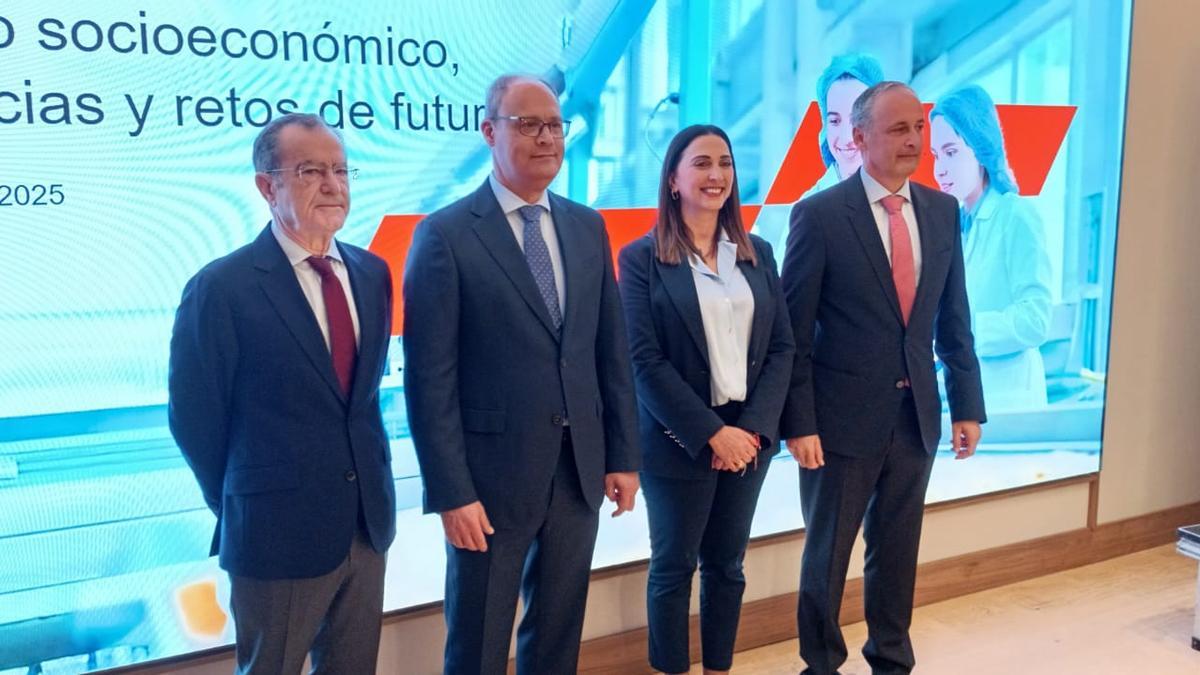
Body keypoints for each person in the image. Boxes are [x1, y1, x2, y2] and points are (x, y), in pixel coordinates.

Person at [402, 74, 641, 675]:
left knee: (557, 633)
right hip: (489, 483)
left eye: (555, 125)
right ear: (489, 131)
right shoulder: (445, 236)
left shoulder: (587, 226)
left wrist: (622, 454)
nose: (546, 138)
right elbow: (429, 382)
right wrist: (451, 492)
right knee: (479, 641)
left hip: (578, 469)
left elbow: (609, 352)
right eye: (528, 124)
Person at [168, 112, 396, 674]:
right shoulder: (221, 288)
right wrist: (246, 503)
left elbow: (359, 404)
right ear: (267, 187)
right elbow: (196, 421)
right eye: (310, 170)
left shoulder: (371, 274)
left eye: (341, 170)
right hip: (275, 532)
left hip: (365, 525)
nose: (332, 185)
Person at [780, 82, 987, 675]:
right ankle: (820, 663)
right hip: (838, 423)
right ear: (858, 137)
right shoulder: (819, 216)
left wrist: (966, 405)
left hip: (915, 417)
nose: (914, 140)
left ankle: (891, 660)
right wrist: (800, 422)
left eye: (919, 127)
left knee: (896, 554)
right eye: (899, 129)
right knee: (826, 557)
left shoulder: (943, 212)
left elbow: (954, 319)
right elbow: (793, 333)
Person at [618, 125, 795, 675]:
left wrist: (754, 431)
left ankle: (720, 668)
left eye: (724, 163)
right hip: (678, 441)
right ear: (673, 179)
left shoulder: (757, 252)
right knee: (673, 568)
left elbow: (783, 347)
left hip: (750, 438)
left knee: (727, 565)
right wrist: (710, 433)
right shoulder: (640, 259)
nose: (716, 174)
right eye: (700, 163)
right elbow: (643, 360)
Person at [931, 84, 1053, 410]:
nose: (939, 168)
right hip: (966, 398)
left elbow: (1036, 319)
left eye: (951, 152)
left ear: (981, 148)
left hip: (1010, 400)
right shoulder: (954, 225)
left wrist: (963, 330)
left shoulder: (1017, 215)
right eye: (935, 155)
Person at [774, 53, 884, 255]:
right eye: (835, 121)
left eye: (857, 119)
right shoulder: (806, 212)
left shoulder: (906, 204)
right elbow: (786, 284)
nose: (846, 136)